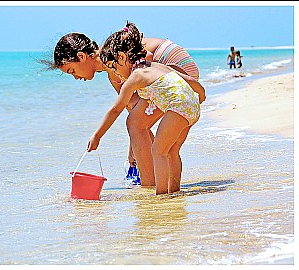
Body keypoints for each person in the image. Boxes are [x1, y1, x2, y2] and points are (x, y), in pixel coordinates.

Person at [49, 31, 201, 187]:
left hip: (177, 64)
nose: (75, 77)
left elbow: (147, 57)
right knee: (138, 125)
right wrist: (134, 148)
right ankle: (157, 181)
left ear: (81, 57)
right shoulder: (113, 74)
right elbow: (132, 108)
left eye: (72, 71)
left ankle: (150, 185)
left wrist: (101, 136)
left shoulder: (113, 54)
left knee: (138, 126)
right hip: (177, 76)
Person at [86, 22, 206, 195]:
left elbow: (115, 110)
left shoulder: (135, 77)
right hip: (191, 106)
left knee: (158, 150)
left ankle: (162, 195)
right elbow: (190, 81)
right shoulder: (156, 66)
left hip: (178, 108)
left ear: (122, 58)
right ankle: (175, 191)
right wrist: (201, 96)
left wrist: (97, 136)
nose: (117, 76)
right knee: (171, 152)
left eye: (115, 69)